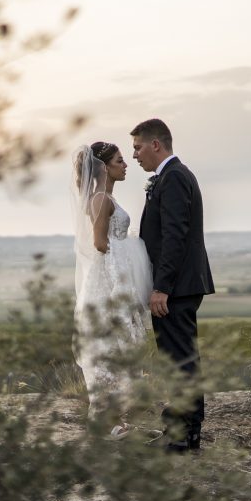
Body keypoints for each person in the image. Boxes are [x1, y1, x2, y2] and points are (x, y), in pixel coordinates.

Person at [132, 119, 215, 453]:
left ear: (156, 145)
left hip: (176, 288)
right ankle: (185, 433)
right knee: (180, 359)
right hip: (178, 286)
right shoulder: (169, 177)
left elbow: (175, 236)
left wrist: (161, 287)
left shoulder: (175, 177)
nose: (134, 155)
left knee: (180, 360)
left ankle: (182, 436)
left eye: (138, 147)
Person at [70, 141, 152, 439]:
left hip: (112, 277)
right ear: (105, 167)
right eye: (120, 160)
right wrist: (130, 250)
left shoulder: (106, 198)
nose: (126, 164)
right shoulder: (101, 199)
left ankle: (115, 420)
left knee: (117, 349)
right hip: (107, 283)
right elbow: (101, 244)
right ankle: (106, 424)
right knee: (108, 349)